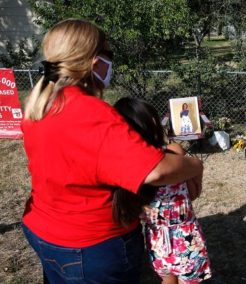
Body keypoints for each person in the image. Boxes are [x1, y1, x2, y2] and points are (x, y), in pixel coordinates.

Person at [21, 18, 203, 283]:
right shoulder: (91, 113)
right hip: (91, 244)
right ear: (95, 62)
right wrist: (195, 166)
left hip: (44, 231)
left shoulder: (39, 104)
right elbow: (157, 171)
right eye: (110, 55)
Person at [113, 97, 212, 284]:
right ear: (152, 122)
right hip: (185, 236)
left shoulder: (124, 167)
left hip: (156, 240)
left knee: (167, 279)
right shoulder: (173, 151)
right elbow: (193, 193)